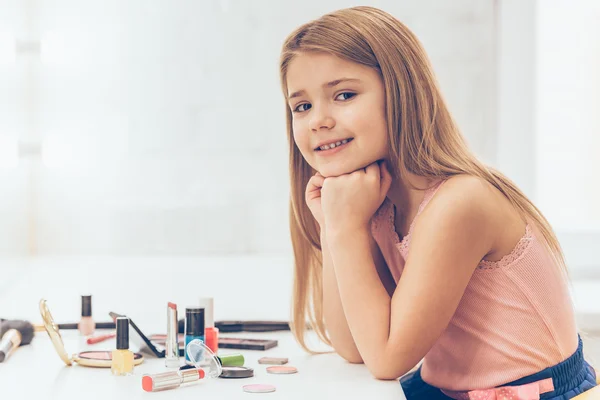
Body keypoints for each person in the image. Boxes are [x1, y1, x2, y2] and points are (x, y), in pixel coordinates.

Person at [278, 6, 597, 400]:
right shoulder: (376, 206)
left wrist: (343, 229)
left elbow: (386, 359)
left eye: (344, 95)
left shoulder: (460, 203)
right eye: (302, 106)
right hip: (445, 390)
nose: (317, 121)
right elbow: (354, 346)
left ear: (402, 93)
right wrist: (335, 224)